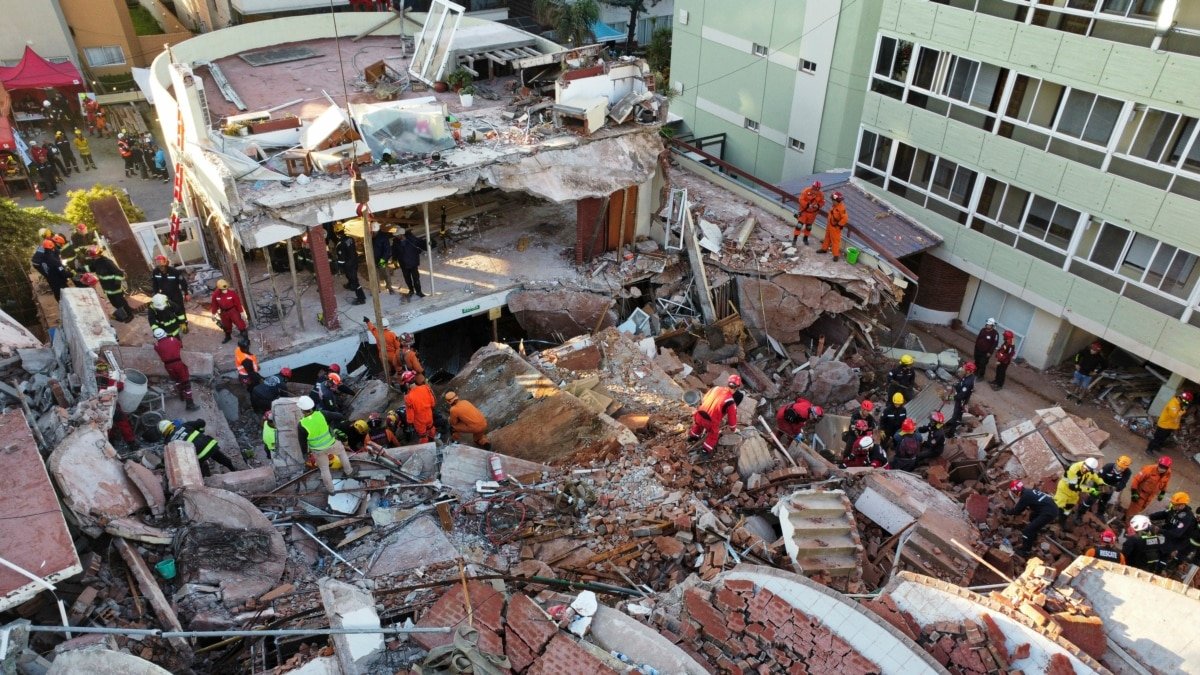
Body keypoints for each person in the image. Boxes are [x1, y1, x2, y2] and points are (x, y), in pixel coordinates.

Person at [296, 396, 356, 493]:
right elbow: (339, 416)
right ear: (312, 406)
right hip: (331, 444)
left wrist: (305, 454)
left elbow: (302, 441)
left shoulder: (301, 424)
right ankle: (349, 472)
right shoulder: (322, 414)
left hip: (317, 450)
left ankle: (331, 490)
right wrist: (333, 424)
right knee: (342, 453)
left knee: (324, 469)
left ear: (302, 410)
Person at [159, 419, 236, 477]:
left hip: (198, 456)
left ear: (163, 433)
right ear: (172, 425)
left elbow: (168, 458)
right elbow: (202, 422)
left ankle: (207, 479)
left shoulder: (167, 443)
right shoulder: (184, 425)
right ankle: (234, 470)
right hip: (209, 446)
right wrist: (200, 430)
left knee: (200, 467)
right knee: (222, 458)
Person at [687, 375, 743, 453]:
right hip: (710, 422)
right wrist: (733, 429)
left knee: (698, 425)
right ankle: (705, 450)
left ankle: (692, 437)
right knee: (713, 434)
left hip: (699, 415)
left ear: (728, 383)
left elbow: (704, 399)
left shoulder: (715, 388)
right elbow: (732, 419)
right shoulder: (730, 401)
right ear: (737, 387)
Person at [1005, 479, 1060, 556]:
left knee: (1028, 530)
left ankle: (1026, 551)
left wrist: (1007, 512)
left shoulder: (1025, 496)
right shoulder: (1028, 491)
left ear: (1016, 491)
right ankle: (1033, 536)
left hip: (1048, 512)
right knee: (1032, 517)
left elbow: (1017, 511)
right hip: (1052, 508)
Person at [83, 246, 133, 322]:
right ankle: (124, 315)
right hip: (107, 288)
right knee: (114, 303)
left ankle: (129, 315)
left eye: (90, 255)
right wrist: (82, 268)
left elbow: (119, 273)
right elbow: (91, 269)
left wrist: (117, 283)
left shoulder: (107, 262)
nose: (90, 256)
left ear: (95, 254)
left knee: (121, 302)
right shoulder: (96, 262)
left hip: (114, 287)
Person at [95, 362, 137, 452]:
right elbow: (120, 386)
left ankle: (111, 442)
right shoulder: (107, 380)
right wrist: (122, 379)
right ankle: (132, 443)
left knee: (108, 426)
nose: (106, 373)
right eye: (105, 371)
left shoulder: (93, 380)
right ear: (104, 371)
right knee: (123, 423)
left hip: (99, 409)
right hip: (111, 407)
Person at [152, 327, 196, 410]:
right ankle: (190, 403)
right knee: (186, 382)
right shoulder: (173, 340)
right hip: (178, 363)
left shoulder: (156, 346)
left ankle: (181, 395)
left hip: (168, 366)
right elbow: (180, 346)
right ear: (164, 333)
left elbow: (158, 348)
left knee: (177, 381)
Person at [1150, 492, 1195, 571]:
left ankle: (1158, 571)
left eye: (1175, 504)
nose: (1173, 505)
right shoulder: (1175, 509)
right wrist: (1150, 516)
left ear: (1182, 505)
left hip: (1177, 541)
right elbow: (1164, 514)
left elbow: (1177, 533)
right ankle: (1151, 565)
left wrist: (1159, 530)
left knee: (1163, 553)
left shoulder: (1187, 517)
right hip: (1168, 534)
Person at [1056, 457, 1104, 525]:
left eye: (1087, 470)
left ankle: (1062, 521)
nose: (1085, 470)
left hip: (1074, 493)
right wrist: (1090, 490)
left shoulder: (1090, 471)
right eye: (1085, 468)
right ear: (1084, 463)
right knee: (1058, 504)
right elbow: (1072, 486)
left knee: (1069, 506)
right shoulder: (1074, 469)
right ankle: (1051, 518)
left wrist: (1103, 484)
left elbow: (1096, 477)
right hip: (1064, 489)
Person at [1146, 390, 1192, 455]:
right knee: (1158, 438)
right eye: (1186, 401)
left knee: (1163, 437)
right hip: (1164, 424)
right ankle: (1149, 449)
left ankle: (1156, 446)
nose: (1186, 403)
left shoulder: (1178, 403)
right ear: (1182, 399)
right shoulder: (1173, 404)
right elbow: (1174, 415)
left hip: (1169, 425)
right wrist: (1183, 411)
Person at [151, 255, 189, 331]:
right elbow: (155, 284)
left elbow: (183, 282)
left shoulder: (174, 271)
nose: (160, 265)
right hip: (164, 296)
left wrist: (186, 293)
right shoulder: (155, 272)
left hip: (176, 294)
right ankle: (174, 324)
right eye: (158, 263)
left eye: (161, 262)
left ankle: (184, 324)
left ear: (166, 262)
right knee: (168, 310)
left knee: (180, 309)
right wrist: (156, 294)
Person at [333, 223, 367, 305]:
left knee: (354, 280)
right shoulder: (350, 238)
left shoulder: (340, 244)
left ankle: (361, 298)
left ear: (336, 233)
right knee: (351, 277)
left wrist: (338, 265)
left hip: (348, 265)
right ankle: (349, 284)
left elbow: (341, 259)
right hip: (354, 261)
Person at [394, 228, 428, 300]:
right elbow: (395, 252)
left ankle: (419, 291)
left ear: (401, 235)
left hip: (413, 263)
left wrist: (429, 243)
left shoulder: (411, 240)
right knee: (407, 279)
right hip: (404, 264)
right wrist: (394, 260)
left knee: (416, 278)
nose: (396, 236)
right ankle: (411, 290)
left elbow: (421, 244)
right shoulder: (396, 242)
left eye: (398, 235)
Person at [210, 279, 248, 344]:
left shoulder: (232, 294)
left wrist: (242, 313)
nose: (225, 291)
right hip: (223, 312)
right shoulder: (215, 295)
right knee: (226, 325)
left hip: (233, 311)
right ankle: (228, 337)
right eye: (223, 290)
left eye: (226, 289)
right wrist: (213, 314)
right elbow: (214, 305)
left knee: (240, 323)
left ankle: (245, 339)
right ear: (219, 288)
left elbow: (238, 304)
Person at [403, 372, 437, 443]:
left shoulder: (408, 397)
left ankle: (426, 447)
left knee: (423, 436)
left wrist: (410, 423)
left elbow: (410, 416)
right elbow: (433, 403)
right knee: (431, 428)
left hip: (419, 420)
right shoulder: (425, 388)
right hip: (429, 415)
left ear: (406, 383)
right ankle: (432, 439)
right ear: (414, 379)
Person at [818, 191, 848, 261]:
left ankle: (836, 255)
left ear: (836, 200)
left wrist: (838, 225)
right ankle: (824, 249)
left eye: (833, 200)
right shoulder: (835, 206)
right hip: (830, 225)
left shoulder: (841, 208)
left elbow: (845, 218)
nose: (832, 201)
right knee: (827, 237)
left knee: (835, 241)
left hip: (835, 227)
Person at [793, 180, 824, 247]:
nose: (816, 191)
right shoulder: (806, 191)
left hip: (813, 214)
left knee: (809, 227)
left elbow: (822, 202)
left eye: (817, 190)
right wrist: (807, 205)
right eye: (815, 189)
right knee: (799, 226)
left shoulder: (820, 194)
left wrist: (818, 206)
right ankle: (794, 239)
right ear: (813, 187)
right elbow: (801, 200)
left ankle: (805, 238)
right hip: (804, 212)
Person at [948, 362, 977, 431]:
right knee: (957, 414)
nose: (962, 369)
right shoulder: (967, 376)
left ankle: (952, 431)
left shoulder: (968, 383)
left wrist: (950, 398)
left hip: (961, 401)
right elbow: (961, 383)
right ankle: (955, 422)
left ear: (968, 371)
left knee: (956, 415)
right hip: (960, 398)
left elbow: (960, 396)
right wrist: (955, 385)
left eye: (964, 368)